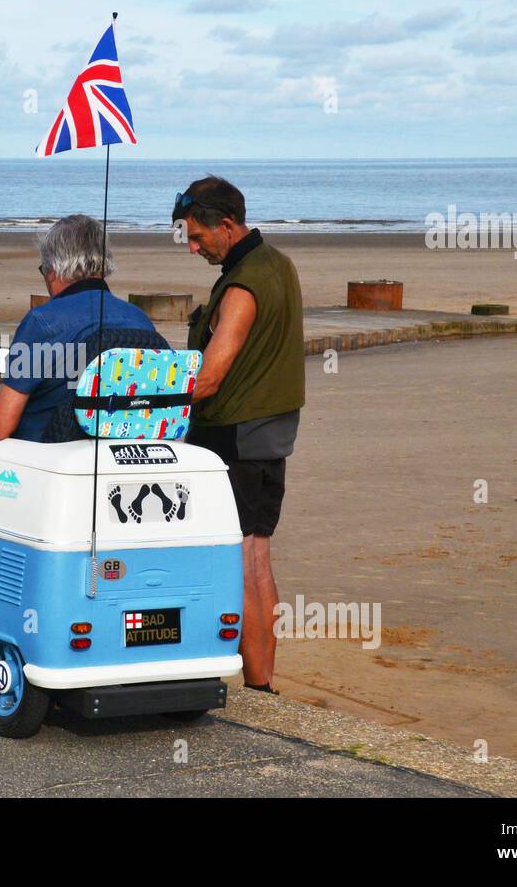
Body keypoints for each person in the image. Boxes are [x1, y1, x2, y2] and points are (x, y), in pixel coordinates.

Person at [172, 176, 304, 694]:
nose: (192, 244)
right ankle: (264, 680)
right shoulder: (278, 263)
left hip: (236, 436)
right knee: (260, 555)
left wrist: (148, 405)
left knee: (242, 560)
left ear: (226, 225)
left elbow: (210, 374)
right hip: (273, 433)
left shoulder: (244, 283)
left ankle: (257, 682)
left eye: (197, 234)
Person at [0, 214, 155, 442]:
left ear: (52, 269)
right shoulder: (139, 320)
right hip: (120, 448)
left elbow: (0, 425)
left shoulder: (43, 321)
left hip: (48, 453)